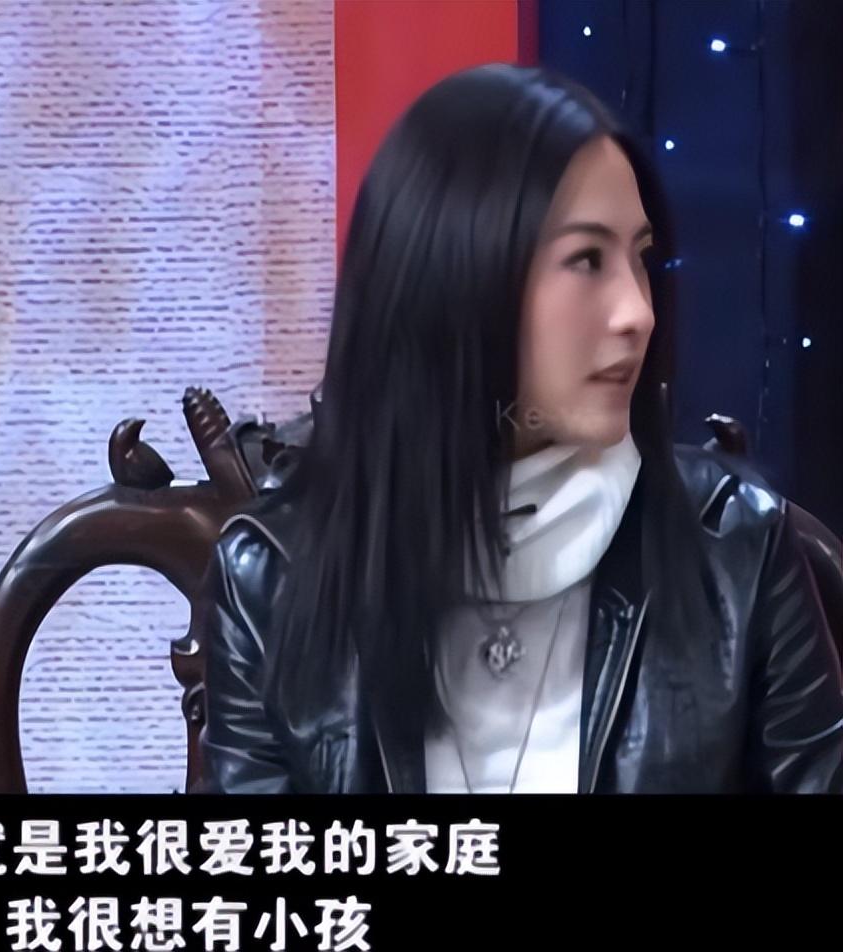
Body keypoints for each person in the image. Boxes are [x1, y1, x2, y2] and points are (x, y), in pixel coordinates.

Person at [198, 64, 843, 794]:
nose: (639, 312)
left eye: (640, 258)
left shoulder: (737, 547)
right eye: (586, 260)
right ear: (452, 279)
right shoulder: (272, 577)